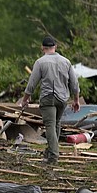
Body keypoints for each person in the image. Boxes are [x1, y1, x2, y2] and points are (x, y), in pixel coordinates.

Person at [20, 36, 81, 166]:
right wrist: (76, 100)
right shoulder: (66, 62)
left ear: (42, 48)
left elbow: (32, 83)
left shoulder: (40, 62)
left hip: (48, 98)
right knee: (56, 124)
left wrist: (25, 99)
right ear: (55, 47)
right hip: (62, 99)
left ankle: (53, 156)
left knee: (50, 126)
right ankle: (50, 151)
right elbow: (74, 84)